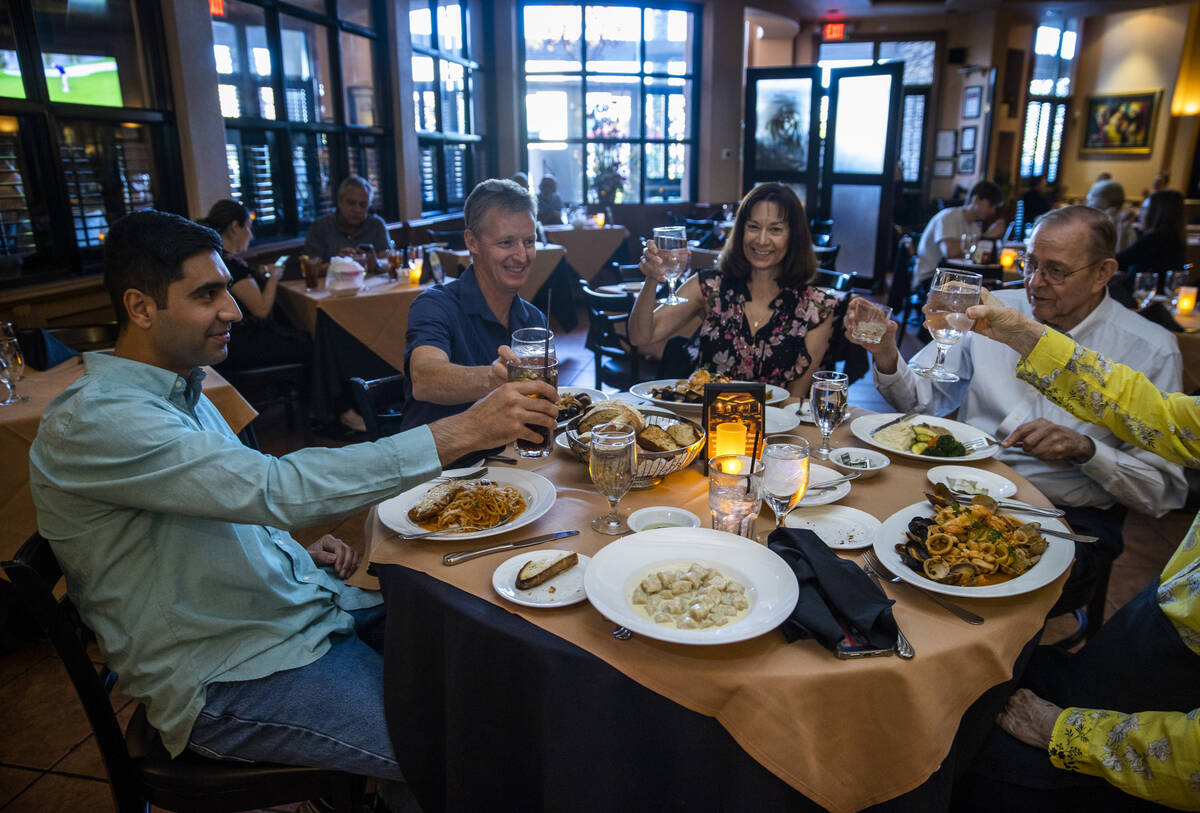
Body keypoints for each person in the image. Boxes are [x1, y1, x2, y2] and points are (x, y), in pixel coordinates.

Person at [28, 210, 557, 808]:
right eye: (207, 294)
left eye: (228, 287)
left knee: (484, 647)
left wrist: (286, 548)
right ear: (141, 307)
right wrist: (460, 432)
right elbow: (275, 489)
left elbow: (208, 506)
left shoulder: (178, 384)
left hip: (294, 610)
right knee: (468, 748)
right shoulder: (99, 420)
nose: (232, 308)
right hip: (230, 674)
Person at [847, 205, 1186, 619]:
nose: (1033, 283)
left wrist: (1087, 451)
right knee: (868, 550)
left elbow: (1163, 491)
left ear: (1103, 272)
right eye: (1030, 264)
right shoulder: (995, 310)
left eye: (1056, 271)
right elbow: (923, 402)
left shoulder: (1149, 348)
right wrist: (886, 354)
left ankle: (997, 677)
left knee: (967, 599)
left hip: (1061, 515)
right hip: (955, 494)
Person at [954, 291, 1200, 812]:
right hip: (1165, 611)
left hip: (1157, 730)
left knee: (984, 763)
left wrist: (1065, 733)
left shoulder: (1150, 341)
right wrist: (1024, 334)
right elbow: (1158, 413)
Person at [628, 182, 836, 398]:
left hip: (776, 427)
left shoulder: (816, 308)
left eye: (775, 229)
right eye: (753, 226)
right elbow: (641, 336)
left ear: (794, 236)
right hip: (706, 425)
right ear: (740, 231)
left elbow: (795, 400)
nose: (762, 240)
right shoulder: (711, 287)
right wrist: (652, 279)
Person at [400, 178, 547, 430]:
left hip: (509, 459)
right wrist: (492, 378)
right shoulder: (435, 305)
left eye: (529, 242)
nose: (522, 256)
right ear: (472, 242)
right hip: (443, 463)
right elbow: (425, 379)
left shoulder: (534, 319)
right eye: (506, 242)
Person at [199, 199, 313, 372]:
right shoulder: (230, 266)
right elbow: (261, 310)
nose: (251, 235)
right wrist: (274, 277)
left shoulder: (217, 260)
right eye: (248, 227)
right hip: (244, 343)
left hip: (232, 340)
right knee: (310, 344)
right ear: (235, 226)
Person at [914, 180, 1006, 285]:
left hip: (953, 277)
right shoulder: (948, 217)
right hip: (931, 278)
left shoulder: (975, 227)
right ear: (976, 200)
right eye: (991, 205)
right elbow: (950, 252)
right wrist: (986, 237)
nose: (993, 211)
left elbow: (977, 258)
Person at [302, 175, 390, 260]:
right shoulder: (320, 227)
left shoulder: (376, 225)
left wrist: (377, 264)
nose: (357, 210)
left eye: (363, 205)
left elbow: (389, 261)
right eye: (351, 203)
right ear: (340, 202)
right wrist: (338, 263)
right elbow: (312, 268)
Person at [1117, 189, 1186, 280]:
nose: (1139, 214)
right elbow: (1123, 263)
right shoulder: (1174, 237)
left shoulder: (1155, 239)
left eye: (1145, 209)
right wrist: (1123, 231)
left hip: (1146, 291)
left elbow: (1117, 262)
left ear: (1156, 213)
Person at [1085, 178, 1137, 253]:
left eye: (1098, 208)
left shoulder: (1126, 232)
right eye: (1090, 207)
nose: (1091, 213)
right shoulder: (1087, 228)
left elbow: (1120, 260)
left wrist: (1120, 232)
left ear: (1115, 210)